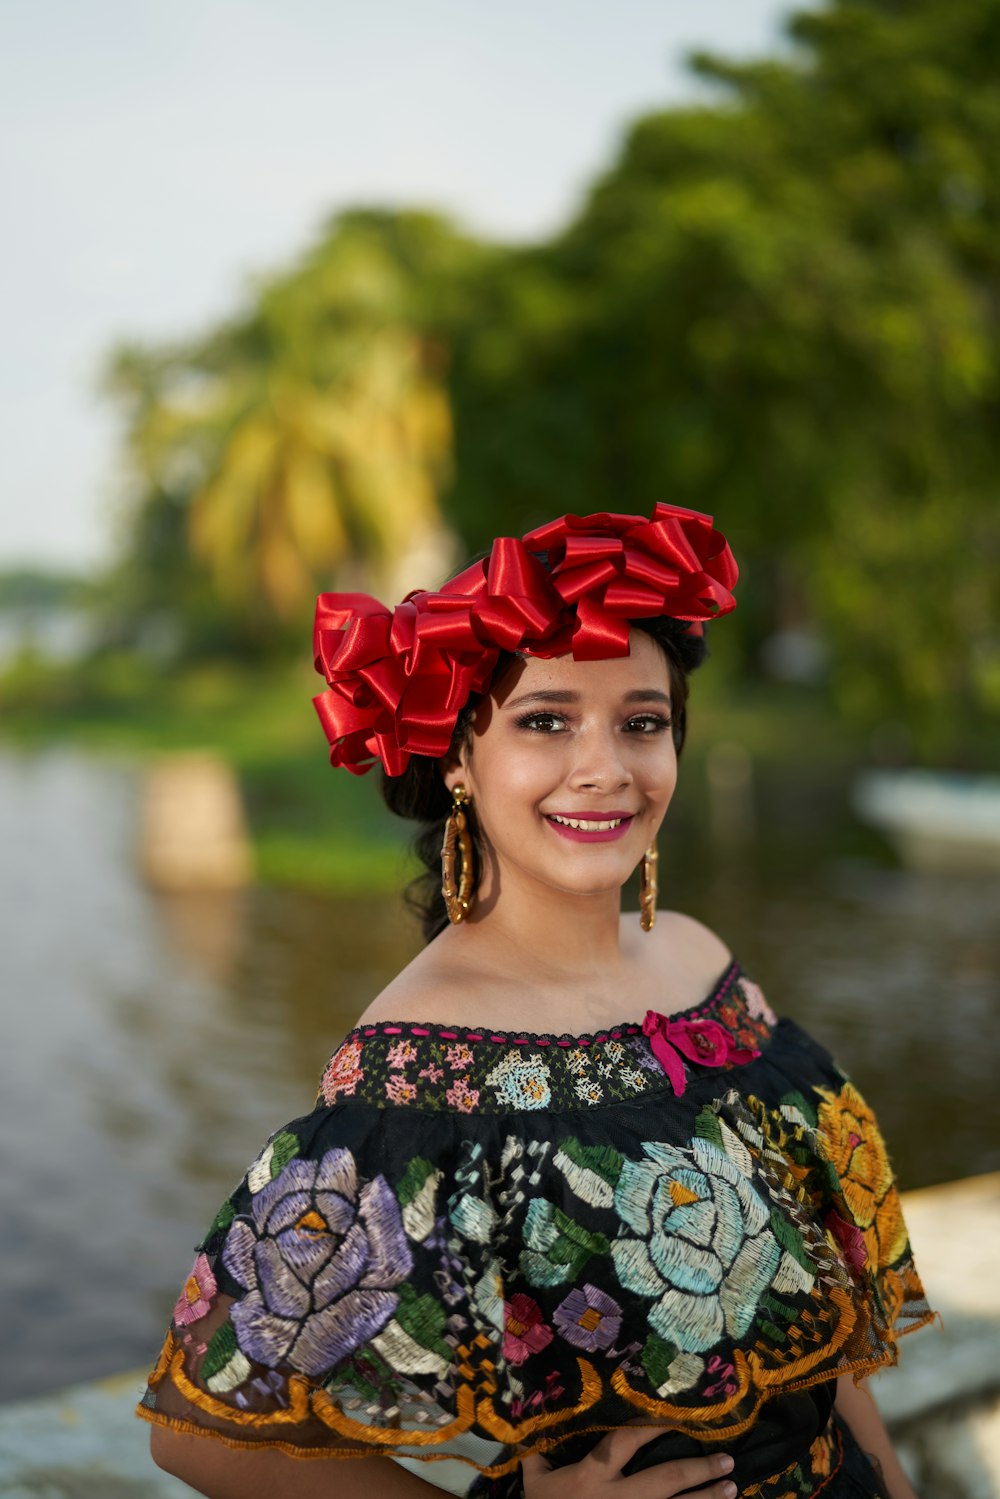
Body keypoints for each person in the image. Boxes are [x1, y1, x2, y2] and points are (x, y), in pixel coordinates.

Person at [139, 504, 934, 1499]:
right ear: (460, 757)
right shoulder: (417, 1063)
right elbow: (210, 1428)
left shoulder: (700, 961)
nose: (604, 766)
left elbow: (814, 1317)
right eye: (546, 719)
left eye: (641, 721)